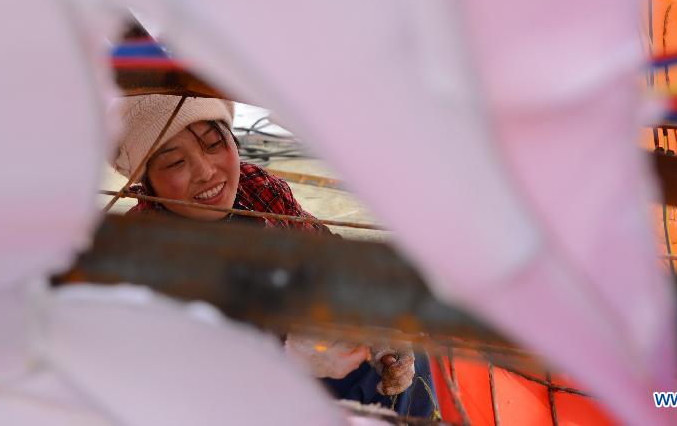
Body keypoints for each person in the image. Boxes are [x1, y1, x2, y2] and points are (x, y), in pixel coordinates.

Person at [112, 94, 439, 419]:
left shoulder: (255, 188)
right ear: (146, 183)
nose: (206, 171)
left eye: (213, 144)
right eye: (174, 162)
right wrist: (289, 355)